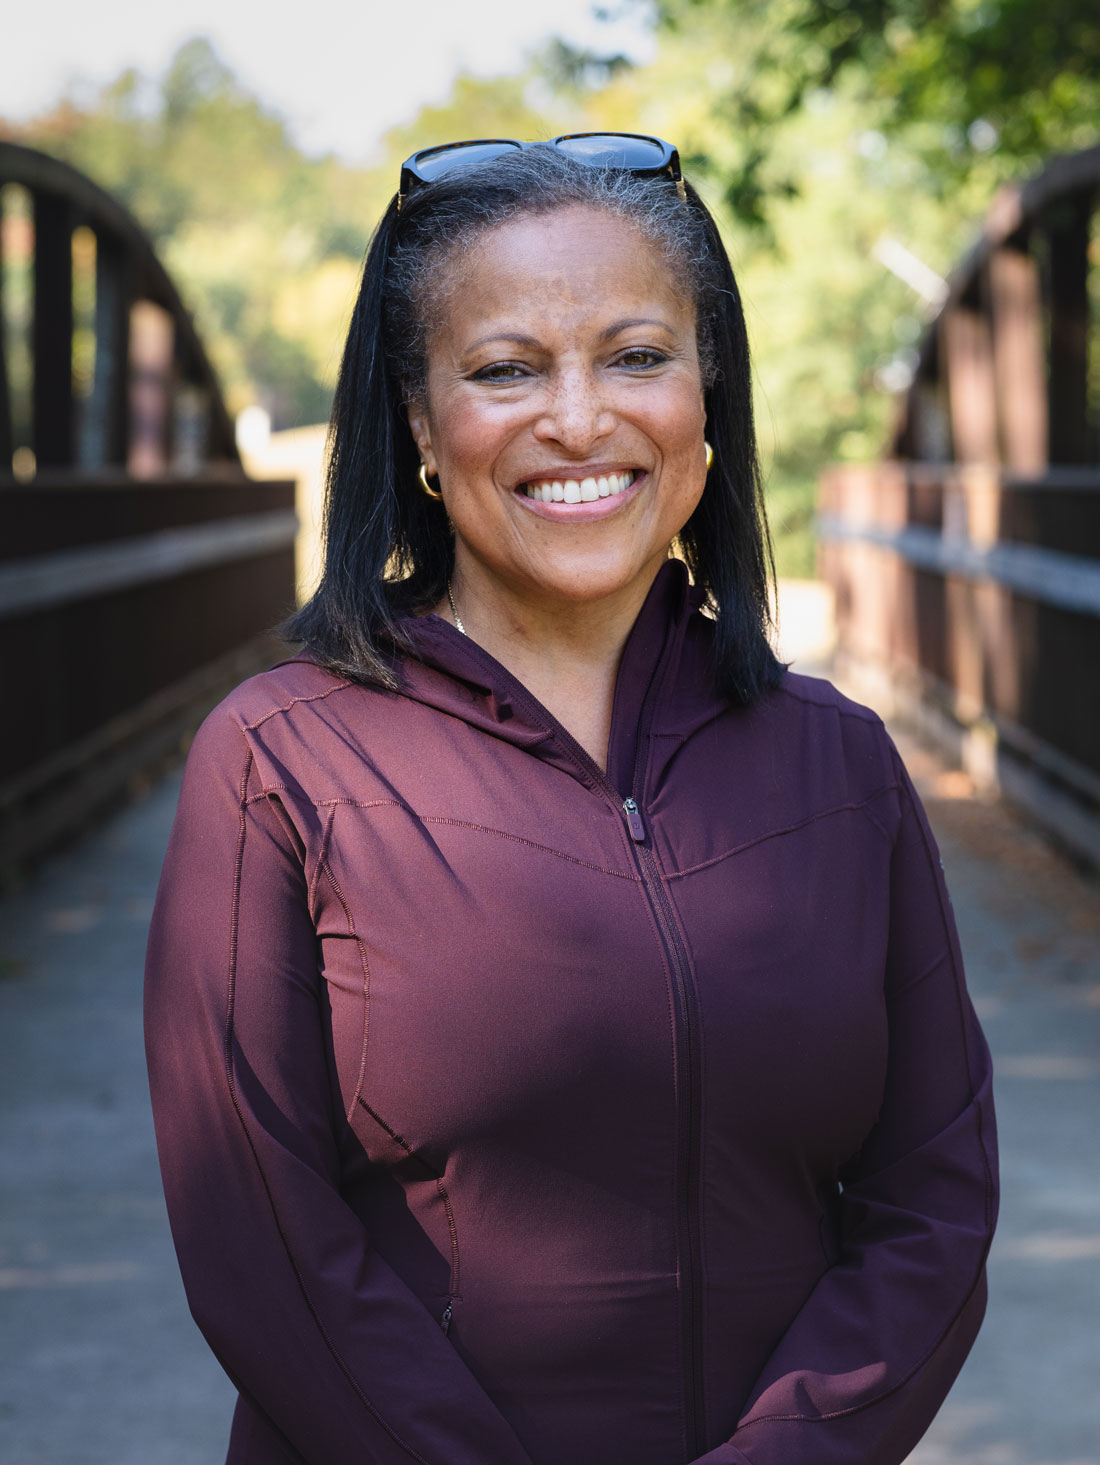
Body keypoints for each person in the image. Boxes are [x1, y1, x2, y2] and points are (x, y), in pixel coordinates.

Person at [144, 134, 998, 1465]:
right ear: (421, 426)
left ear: (707, 389)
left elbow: (934, 1196)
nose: (581, 418)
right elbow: (257, 1238)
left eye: (636, 354)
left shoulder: (842, 765)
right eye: (505, 370)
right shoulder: (281, 762)